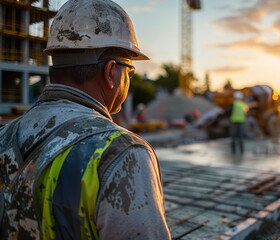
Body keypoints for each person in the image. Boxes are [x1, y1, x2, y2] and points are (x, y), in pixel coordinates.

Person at [0, 0, 171, 239]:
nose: (129, 79)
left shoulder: (4, 136)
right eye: (129, 70)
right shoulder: (122, 153)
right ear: (111, 71)